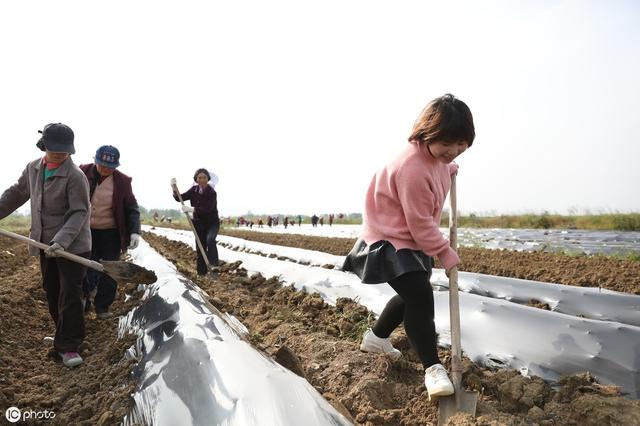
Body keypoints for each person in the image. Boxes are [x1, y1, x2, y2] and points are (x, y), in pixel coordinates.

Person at [342, 94, 475, 400]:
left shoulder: (438, 159)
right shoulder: (411, 168)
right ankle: (432, 368)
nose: (453, 151)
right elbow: (420, 224)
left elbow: (439, 170)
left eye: (461, 144)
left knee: (410, 294)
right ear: (427, 134)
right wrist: (443, 251)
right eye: (448, 144)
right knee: (419, 295)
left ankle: (376, 338)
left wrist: (449, 166)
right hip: (389, 240)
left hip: (411, 240)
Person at [0, 123, 91, 368]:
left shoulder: (75, 176)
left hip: (72, 246)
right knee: (52, 291)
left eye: (65, 151)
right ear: (44, 146)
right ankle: (62, 335)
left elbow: (79, 212)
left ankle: (70, 345)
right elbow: (17, 194)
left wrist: (61, 240)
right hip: (44, 244)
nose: (60, 155)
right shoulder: (33, 169)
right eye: (55, 150)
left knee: (70, 294)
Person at [80, 145, 141, 319]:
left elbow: (131, 208)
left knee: (109, 269)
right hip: (85, 230)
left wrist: (134, 231)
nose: (106, 169)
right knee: (84, 266)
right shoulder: (81, 172)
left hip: (111, 233)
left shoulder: (122, 181)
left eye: (110, 167)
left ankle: (103, 307)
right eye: (102, 165)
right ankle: (84, 298)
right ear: (95, 161)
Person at [171, 168, 220, 275]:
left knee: (210, 240)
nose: (202, 180)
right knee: (200, 248)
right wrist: (174, 188)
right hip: (199, 223)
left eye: (204, 178)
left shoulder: (212, 192)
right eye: (200, 178)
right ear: (196, 179)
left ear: (208, 179)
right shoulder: (194, 190)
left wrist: (191, 209)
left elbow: (208, 209)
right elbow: (180, 198)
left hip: (212, 223)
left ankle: (214, 265)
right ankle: (201, 274)